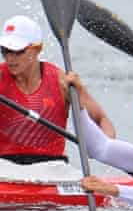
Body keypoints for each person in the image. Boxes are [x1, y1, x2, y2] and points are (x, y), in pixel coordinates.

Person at [0, 15, 114, 165]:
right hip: (5, 167)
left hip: (52, 167)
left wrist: (104, 148)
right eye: (5, 50)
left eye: (18, 51)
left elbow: (102, 120)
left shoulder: (61, 81)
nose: (10, 58)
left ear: (37, 49)